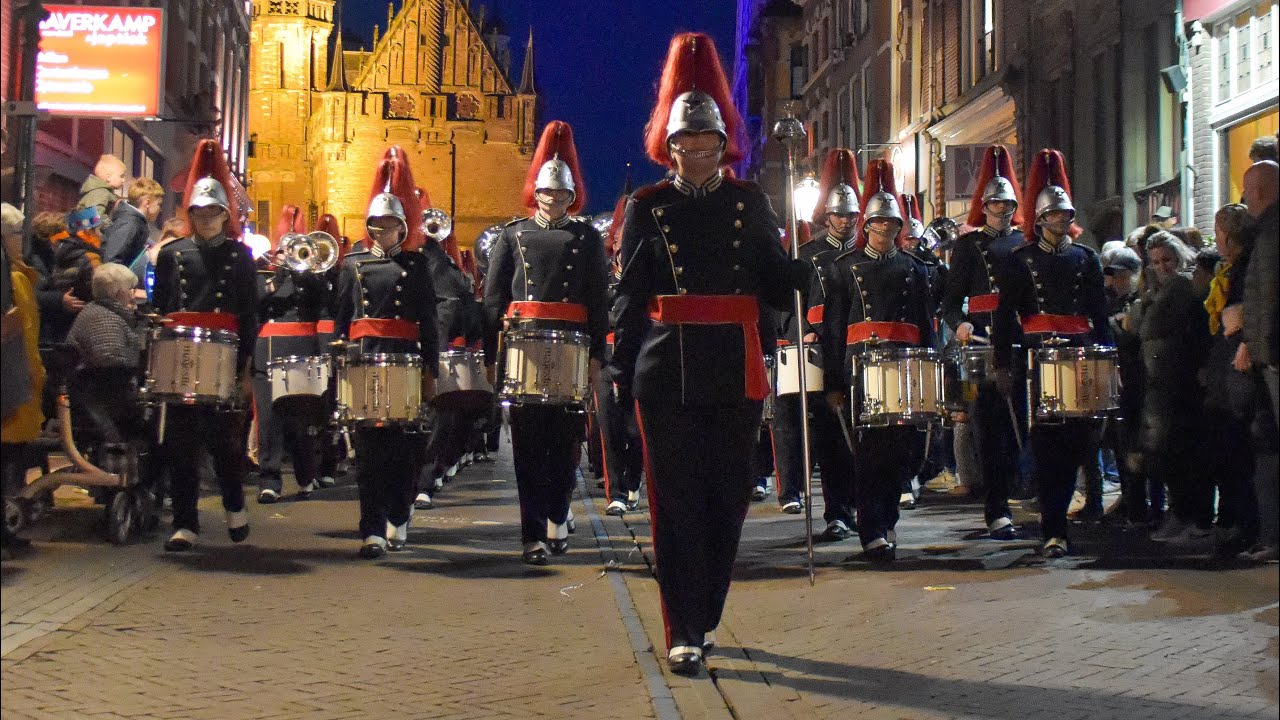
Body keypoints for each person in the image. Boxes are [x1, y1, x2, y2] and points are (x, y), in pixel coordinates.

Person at [608, 32, 806, 675]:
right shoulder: (648, 206)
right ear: (669, 146)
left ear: (724, 144)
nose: (695, 152)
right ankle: (682, 627)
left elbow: (775, 285)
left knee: (727, 500)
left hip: (735, 366)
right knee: (675, 502)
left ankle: (708, 609)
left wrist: (800, 277)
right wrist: (617, 364)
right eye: (684, 143)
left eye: (706, 142)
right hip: (665, 370)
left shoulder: (750, 202)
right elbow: (632, 292)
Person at [484, 121, 608, 564]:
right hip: (524, 352)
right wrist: (490, 356)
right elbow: (494, 298)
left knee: (567, 444)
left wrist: (597, 355)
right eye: (547, 194)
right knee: (528, 447)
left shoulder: (587, 237)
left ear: (571, 197)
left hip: (572, 348)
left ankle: (558, 513)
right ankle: (532, 533)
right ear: (535, 194)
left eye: (561, 195)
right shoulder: (512, 235)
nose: (554, 201)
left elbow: (597, 298)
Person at [993, 149, 1112, 559]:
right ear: (1041, 220)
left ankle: (1068, 517)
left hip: (1079, 359)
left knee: (1082, 443)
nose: (1062, 221)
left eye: (1066, 214)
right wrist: (1003, 363)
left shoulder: (1086, 259)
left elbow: (1100, 316)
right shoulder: (1020, 261)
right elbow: (1006, 318)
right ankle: (1054, 527)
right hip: (1037, 361)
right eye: (1055, 215)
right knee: (1048, 449)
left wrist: (1109, 360)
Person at [816, 158, 935, 562]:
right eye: (878, 225)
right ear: (866, 227)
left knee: (903, 451)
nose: (884, 231)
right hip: (859, 368)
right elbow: (833, 330)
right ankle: (871, 530)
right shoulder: (843, 269)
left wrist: (933, 376)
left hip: (905, 367)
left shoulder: (914, 270)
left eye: (891, 226)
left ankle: (886, 522)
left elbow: (926, 326)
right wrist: (832, 383)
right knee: (869, 453)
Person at [150, 139, 259, 552]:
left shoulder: (240, 256)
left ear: (225, 215)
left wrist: (246, 369)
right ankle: (185, 522)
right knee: (181, 445)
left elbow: (248, 314)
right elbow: (162, 310)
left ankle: (234, 506)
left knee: (226, 444)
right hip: (181, 358)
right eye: (200, 212)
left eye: (214, 212)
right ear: (190, 214)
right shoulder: (172, 255)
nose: (207, 219)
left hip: (224, 356)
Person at [333, 146, 438, 559]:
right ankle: (371, 529)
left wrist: (431, 371)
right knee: (368, 451)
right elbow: (341, 320)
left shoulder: (416, 266)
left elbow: (429, 322)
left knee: (403, 450)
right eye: (376, 224)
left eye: (391, 224)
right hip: (363, 362)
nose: (382, 231)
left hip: (405, 362)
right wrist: (336, 363)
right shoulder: (352, 264)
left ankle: (399, 511)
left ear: (402, 226)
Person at [772, 147, 860, 537]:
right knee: (829, 436)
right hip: (823, 353)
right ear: (827, 216)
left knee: (860, 436)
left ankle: (860, 506)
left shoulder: (866, 253)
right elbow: (790, 306)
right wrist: (802, 331)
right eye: (839, 214)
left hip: (857, 352)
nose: (845, 221)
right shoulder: (808, 255)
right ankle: (836, 512)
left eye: (851, 215)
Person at [939, 144, 1026, 540]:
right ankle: (996, 509)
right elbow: (950, 301)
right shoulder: (969, 246)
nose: (1001, 210)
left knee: (1019, 428)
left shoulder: (1025, 244)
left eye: (1007, 204)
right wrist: (957, 323)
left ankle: (1022, 495)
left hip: (1018, 344)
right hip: (981, 346)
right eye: (994, 204)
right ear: (984, 207)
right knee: (987, 431)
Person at [1134, 232, 1211, 544]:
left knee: (1178, 455)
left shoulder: (1179, 288)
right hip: (1165, 383)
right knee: (1169, 455)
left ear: (1179, 258)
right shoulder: (1161, 290)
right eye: (1155, 262)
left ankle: (1189, 517)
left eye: (1167, 260)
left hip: (1179, 383)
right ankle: (1183, 515)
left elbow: (1147, 326)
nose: (1162, 266)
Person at [253, 205, 330, 503]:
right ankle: (269, 480)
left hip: (302, 349)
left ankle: (305, 473)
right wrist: (278, 276)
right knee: (269, 421)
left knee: (300, 421)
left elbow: (323, 302)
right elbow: (256, 302)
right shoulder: (263, 273)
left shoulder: (312, 278)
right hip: (268, 350)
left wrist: (304, 272)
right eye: (287, 250)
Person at [1202, 203, 1257, 557]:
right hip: (1227, 366)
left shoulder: (1245, 268)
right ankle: (1234, 522)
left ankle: (1244, 525)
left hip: (1239, 365)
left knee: (1239, 448)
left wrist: (1244, 332)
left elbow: (1241, 313)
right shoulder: (1230, 269)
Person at [1236, 160, 1279, 562]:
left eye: (1248, 190)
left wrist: (1260, 348)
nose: (1244, 198)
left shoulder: (1270, 233)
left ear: (1261, 192)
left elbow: (1267, 296)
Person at [1, 204, 45, 554]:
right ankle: (8, 528)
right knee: (10, 458)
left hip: (15, 378)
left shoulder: (17, 274)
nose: (21, 241)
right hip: (14, 380)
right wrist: (35, 375)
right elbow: (25, 335)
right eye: (17, 235)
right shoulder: (15, 278)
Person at [102, 177, 164, 272]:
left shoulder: (132, 220)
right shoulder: (130, 223)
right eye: (159, 204)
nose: (160, 209)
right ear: (147, 203)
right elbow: (111, 259)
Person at [51, 207, 105, 305]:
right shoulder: (91, 258)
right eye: (100, 230)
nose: (102, 236)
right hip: (88, 312)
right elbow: (102, 294)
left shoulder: (60, 249)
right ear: (88, 231)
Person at [76, 154, 126, 230]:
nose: (123, 180)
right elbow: (93, 217)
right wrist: (111, 226)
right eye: (121, 176)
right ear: (108, 177)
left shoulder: (101, 192)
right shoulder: (101, 193)